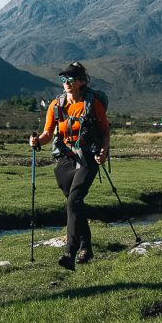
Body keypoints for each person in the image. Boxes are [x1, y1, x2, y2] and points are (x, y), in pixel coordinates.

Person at [28, 61, 110, 271]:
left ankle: (69, 252)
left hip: (88, 157)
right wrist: (37, 142)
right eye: (63, 79)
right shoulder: (56, 105)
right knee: (74, 203)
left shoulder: (92, 104)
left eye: (70, 79)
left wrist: (103, 151)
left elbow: (105, 131)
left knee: (74, 200)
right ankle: (86, 247)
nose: (66, 82)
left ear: (81, 82)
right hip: (65, 159)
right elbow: (47, 134)